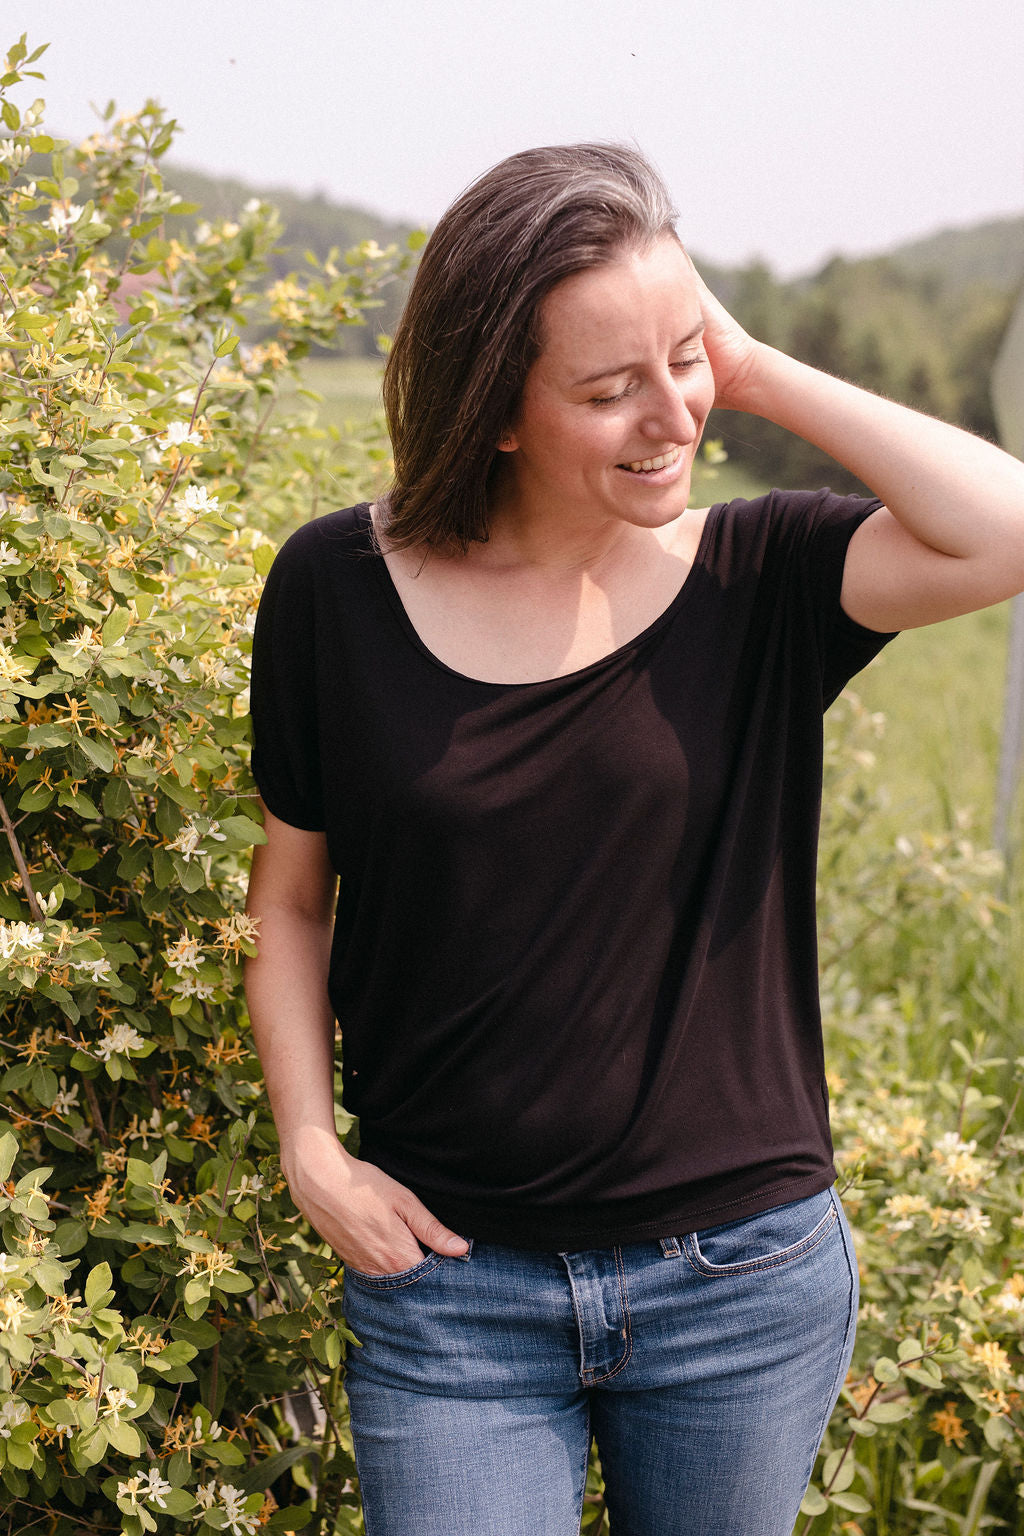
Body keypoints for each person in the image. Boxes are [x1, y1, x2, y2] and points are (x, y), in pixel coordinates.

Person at [244, 143, 1024, 1536]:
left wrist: (752, 367)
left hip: (741, 1286)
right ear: (494, 410)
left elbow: (1005, 532)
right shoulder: (335, 588)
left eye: (686, 359)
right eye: (610, 390)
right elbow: (293, 898)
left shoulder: (762, 577)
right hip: (452, 1289)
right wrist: (310, 1145)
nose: (673, 418)